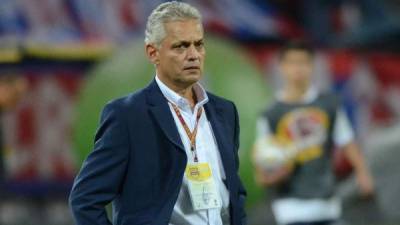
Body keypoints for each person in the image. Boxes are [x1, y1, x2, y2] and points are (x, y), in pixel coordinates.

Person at [69, 2, 246, 225]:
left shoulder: (225, 112)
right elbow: (85, 199)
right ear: (153, 52)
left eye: (198, 45)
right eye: (180, 46)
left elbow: (234, 193)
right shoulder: (128, 116)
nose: (193, 55)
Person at [252, 40, 374, 225]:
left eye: (303, 62)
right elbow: (262, 162)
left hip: (328, 203)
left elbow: (346, 140)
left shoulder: (329, 104)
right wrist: (271, 176)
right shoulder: (270, 113)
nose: (298, 68)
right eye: (292, 63)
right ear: (282, 67)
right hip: (290, 208)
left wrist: (363, 174)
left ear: (312, 66)